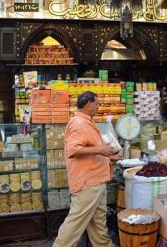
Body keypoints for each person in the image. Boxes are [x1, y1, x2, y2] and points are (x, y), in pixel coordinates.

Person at [53, 91, 121, 247]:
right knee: (75, 223)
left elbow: (91, 149)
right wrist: (101, 151)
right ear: (89, 103)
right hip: (88, 183)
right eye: (97, 103)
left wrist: (109, 157)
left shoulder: (86, 121)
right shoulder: (78, 123)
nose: (98, 106)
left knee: (98, 222)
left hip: (96, 181)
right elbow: (73, 150)